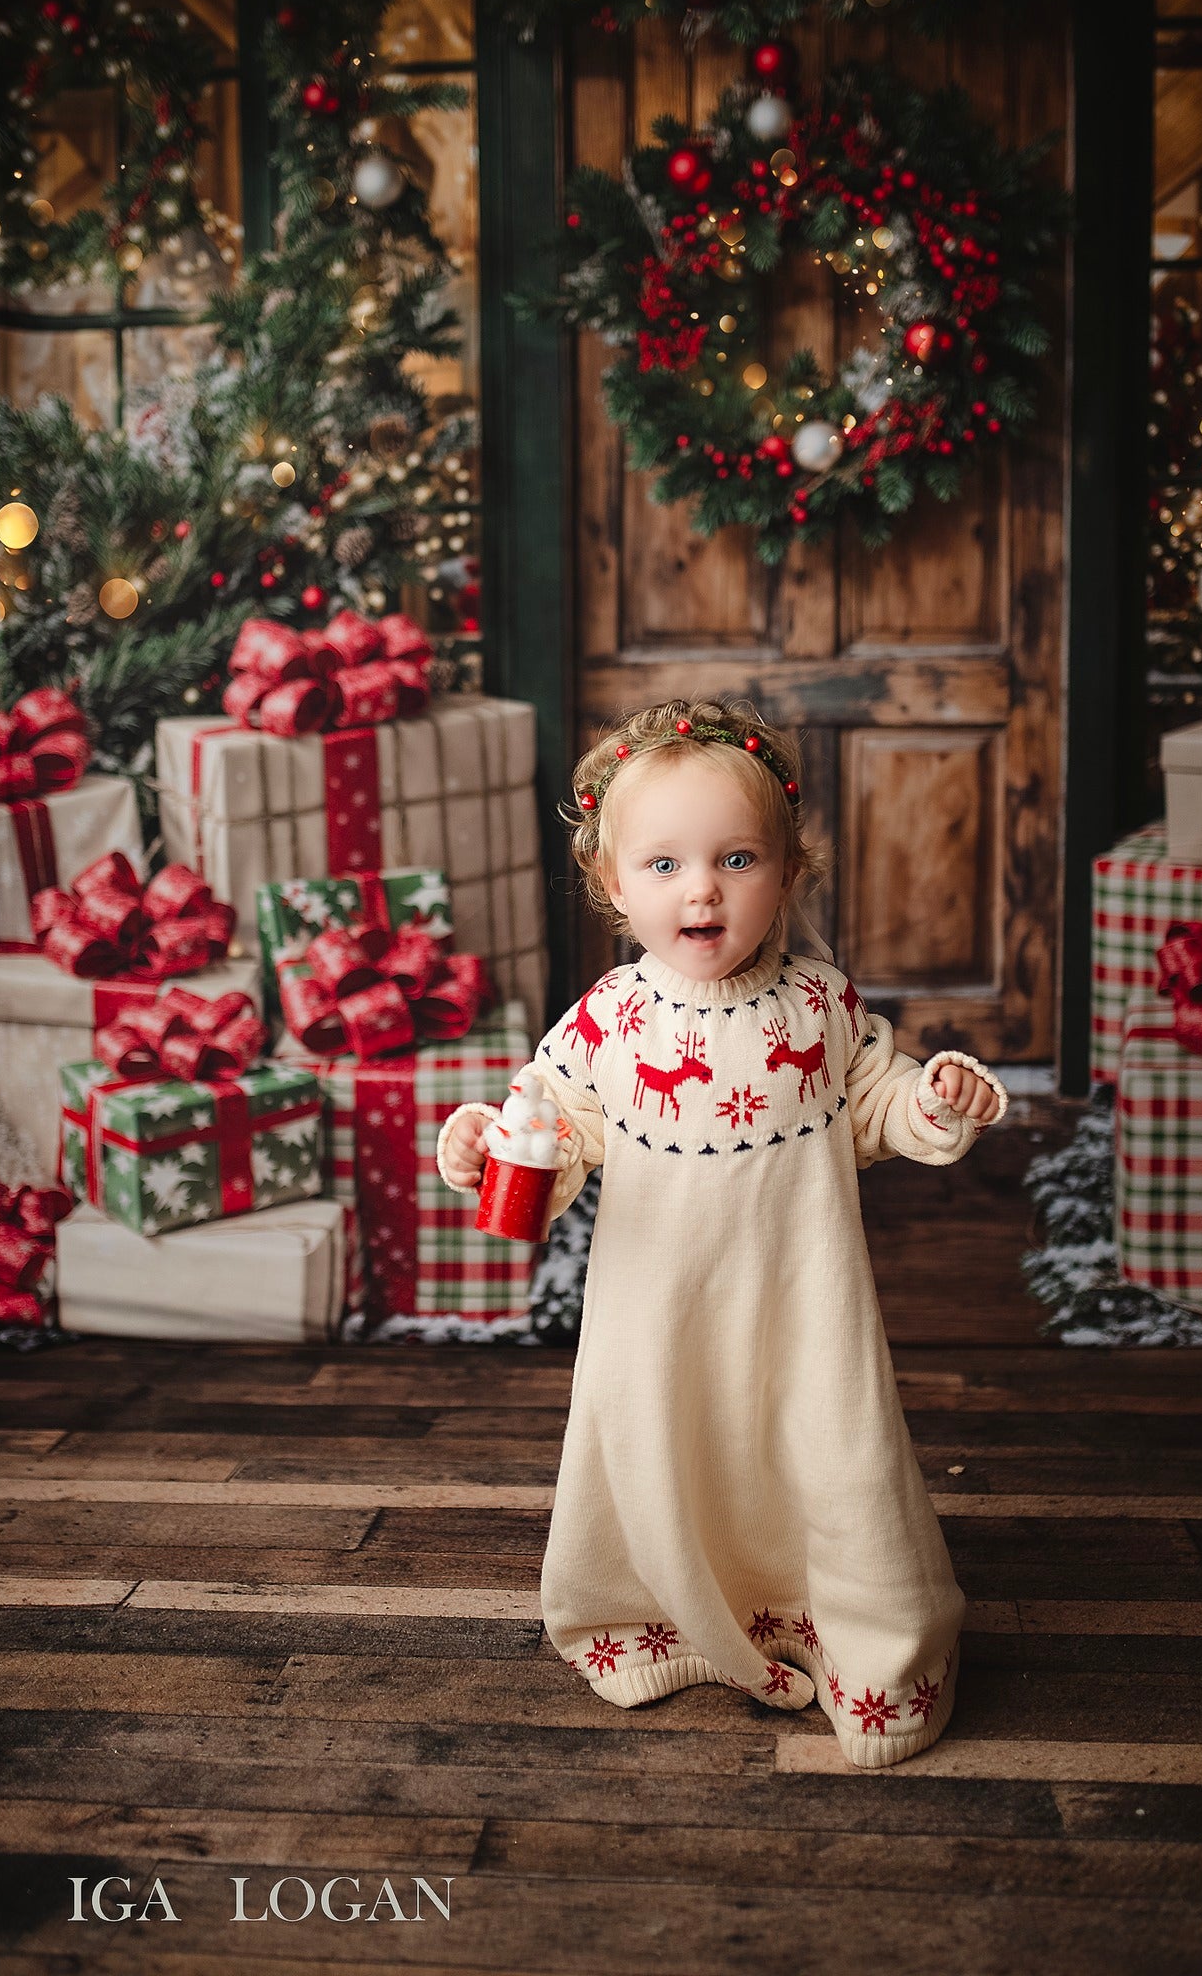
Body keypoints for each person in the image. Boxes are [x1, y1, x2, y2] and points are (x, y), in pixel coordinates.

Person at [435, 697, 1006, 1769]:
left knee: (832, 1467)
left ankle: (872, 1654)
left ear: (790, 872)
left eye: (736, 857)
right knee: (664, 1455)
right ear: (613, 883)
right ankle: (655, 1614)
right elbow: (545, 1125)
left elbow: (877, 1107)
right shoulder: (611, 1020)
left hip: (805, 1309)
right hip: (660, 1320)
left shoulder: (822, 1006)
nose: (701, 887)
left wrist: (936, 1099)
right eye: (663, 863)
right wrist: (481, 1140)